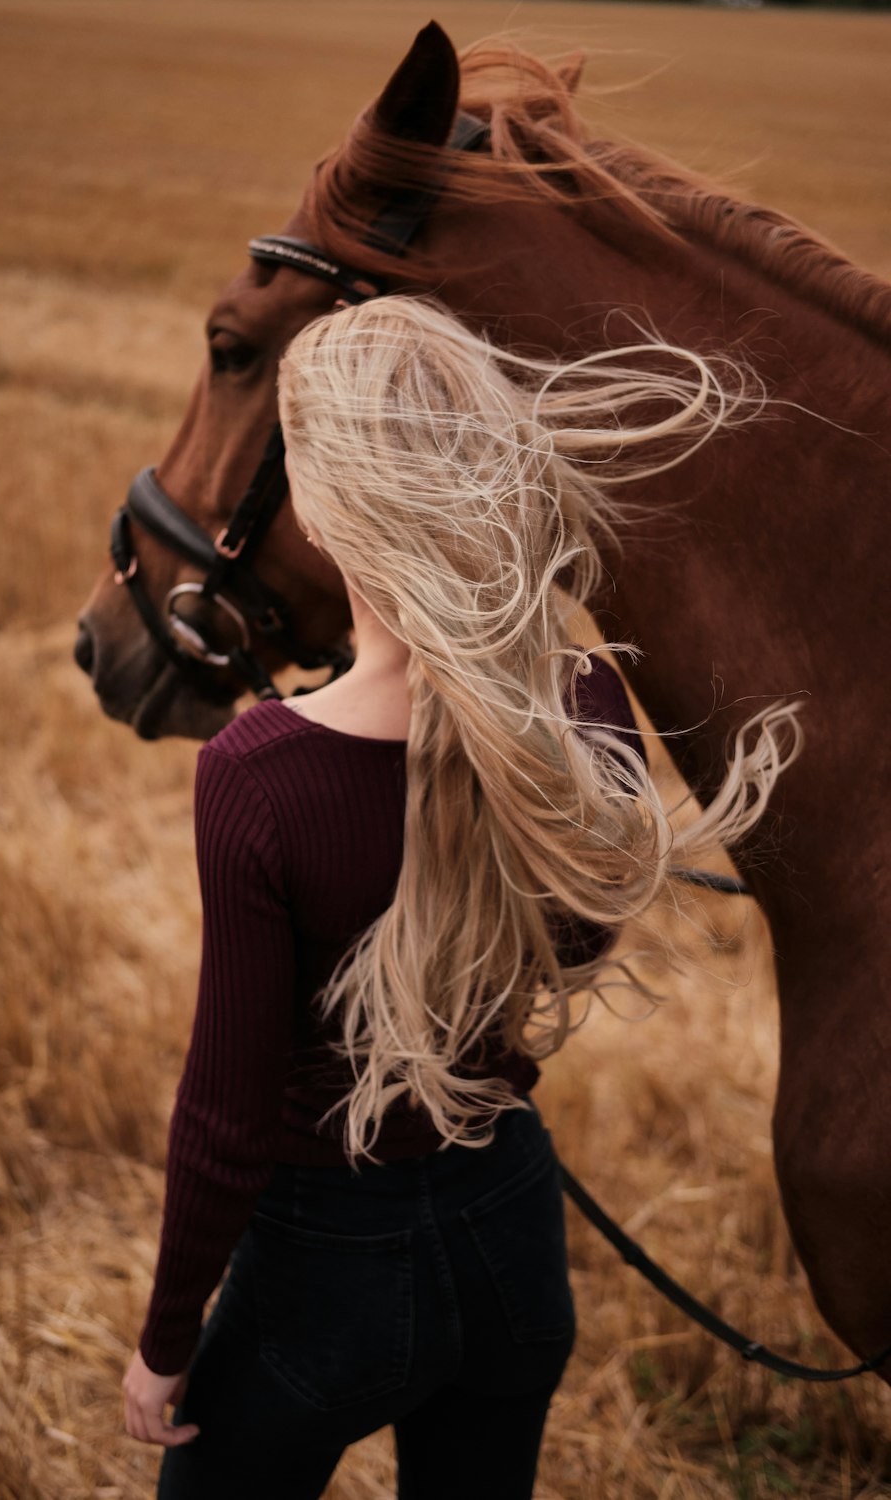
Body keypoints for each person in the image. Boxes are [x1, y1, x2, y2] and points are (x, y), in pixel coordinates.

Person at [121, 298, 800, 1498]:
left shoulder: (255, 775)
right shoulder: (579, 700)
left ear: (324, 515)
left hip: (316, 1278)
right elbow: (580, 932)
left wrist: (163, 1347)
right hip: (510, 1239)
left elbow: (226, 1115)